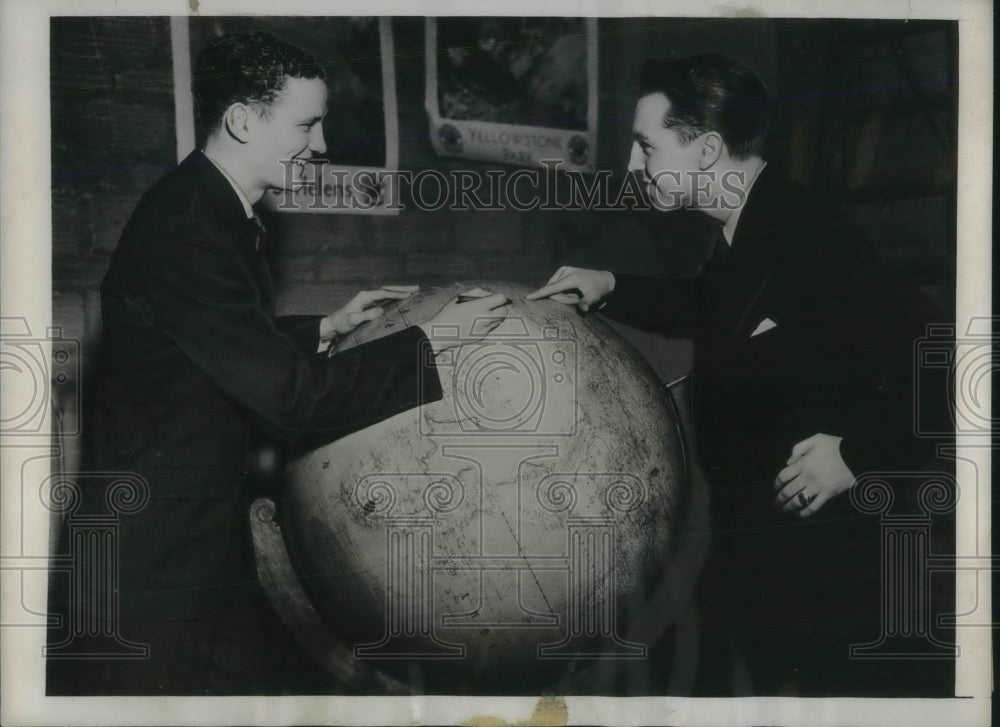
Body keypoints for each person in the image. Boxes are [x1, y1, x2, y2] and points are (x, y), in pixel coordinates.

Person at [46, 31, 508, 695]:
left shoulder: (209, 206)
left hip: (199, 537)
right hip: (147, 564)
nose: (319, 145)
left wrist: (325, 327)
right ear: (242, 120)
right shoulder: (188, 226)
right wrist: (436, 342)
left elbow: (213, 339)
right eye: (306, 124)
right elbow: (294, 400)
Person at [528, 54, 947, 695]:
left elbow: (939, 370)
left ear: (706, 150)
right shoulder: (747, 225)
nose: (634, 165)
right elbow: (712, 306)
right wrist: (609, 283)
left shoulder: (810, 232)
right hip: (763, 544)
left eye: (646, 146)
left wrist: (856, 455)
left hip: (837, 566)